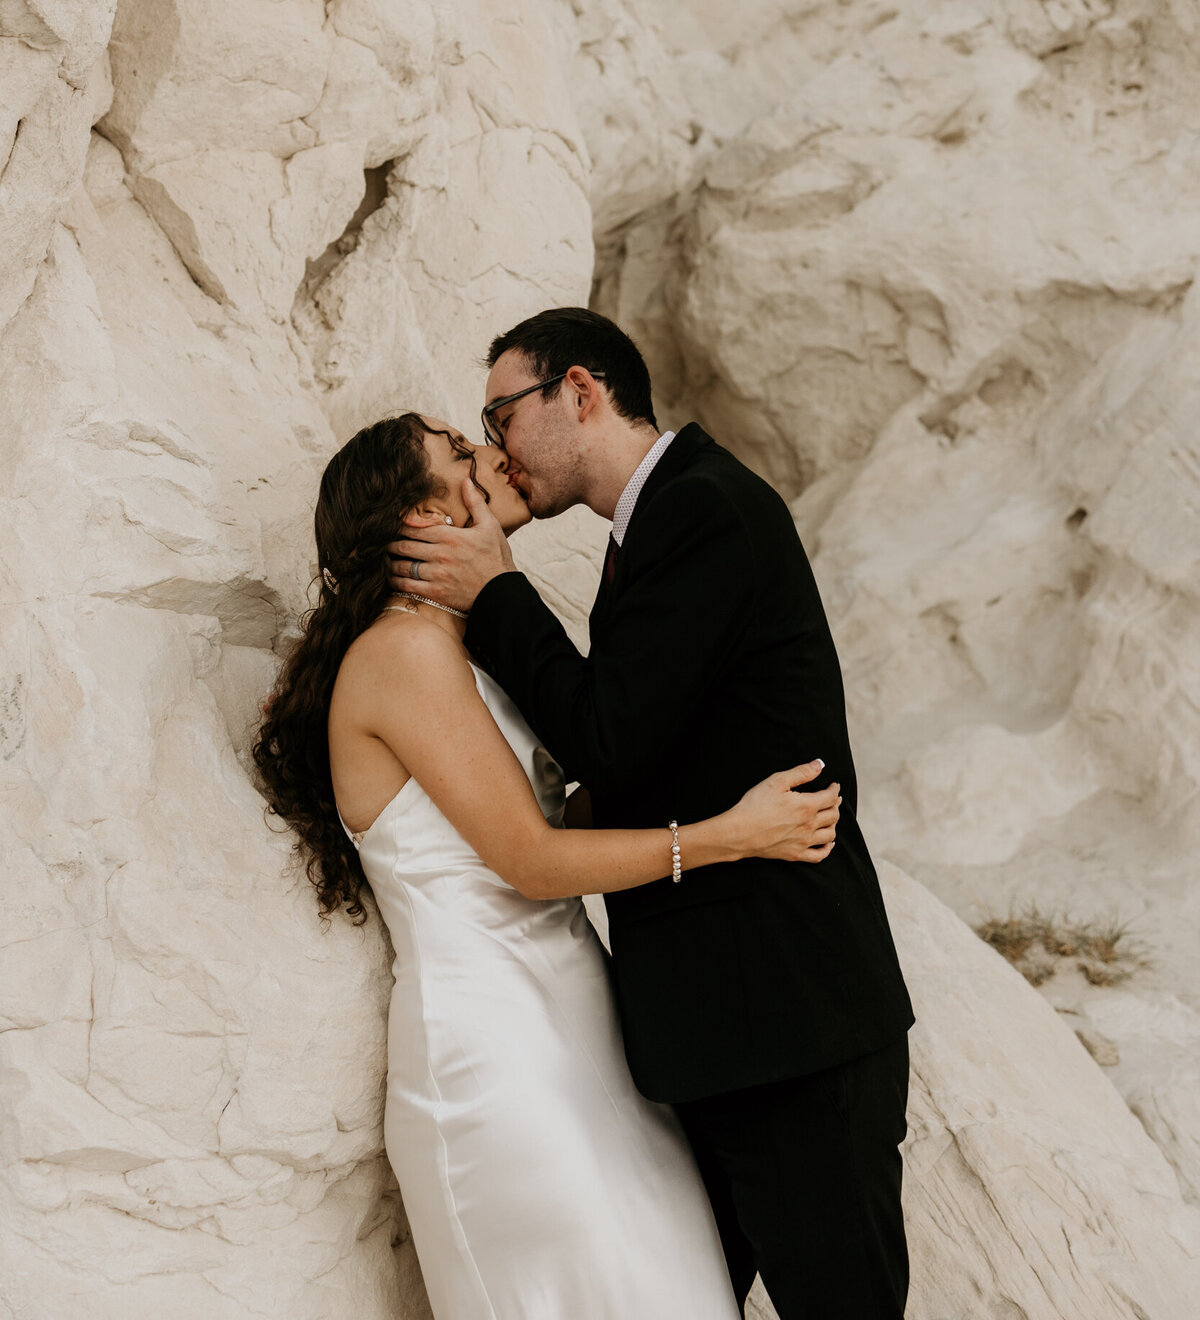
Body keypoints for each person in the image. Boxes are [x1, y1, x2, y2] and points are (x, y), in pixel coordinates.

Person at [252, 411, 842, 1320]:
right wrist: (730, 834)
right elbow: (529, 860)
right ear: (423, 518)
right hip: (499, 1051)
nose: (493, 456)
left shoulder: (459, 644)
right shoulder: (402, 655)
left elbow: (569, 801)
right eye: (461, 452)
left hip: (578, 1024)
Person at [390, 309, 916, 1320]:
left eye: (501, 415)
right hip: (725, 1036)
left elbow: (612, 734)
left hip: (790, 1030)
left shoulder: (705, 510)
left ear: (580, 392)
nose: (495, 446)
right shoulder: (658, 529)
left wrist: (497, 590)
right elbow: (651, 758)